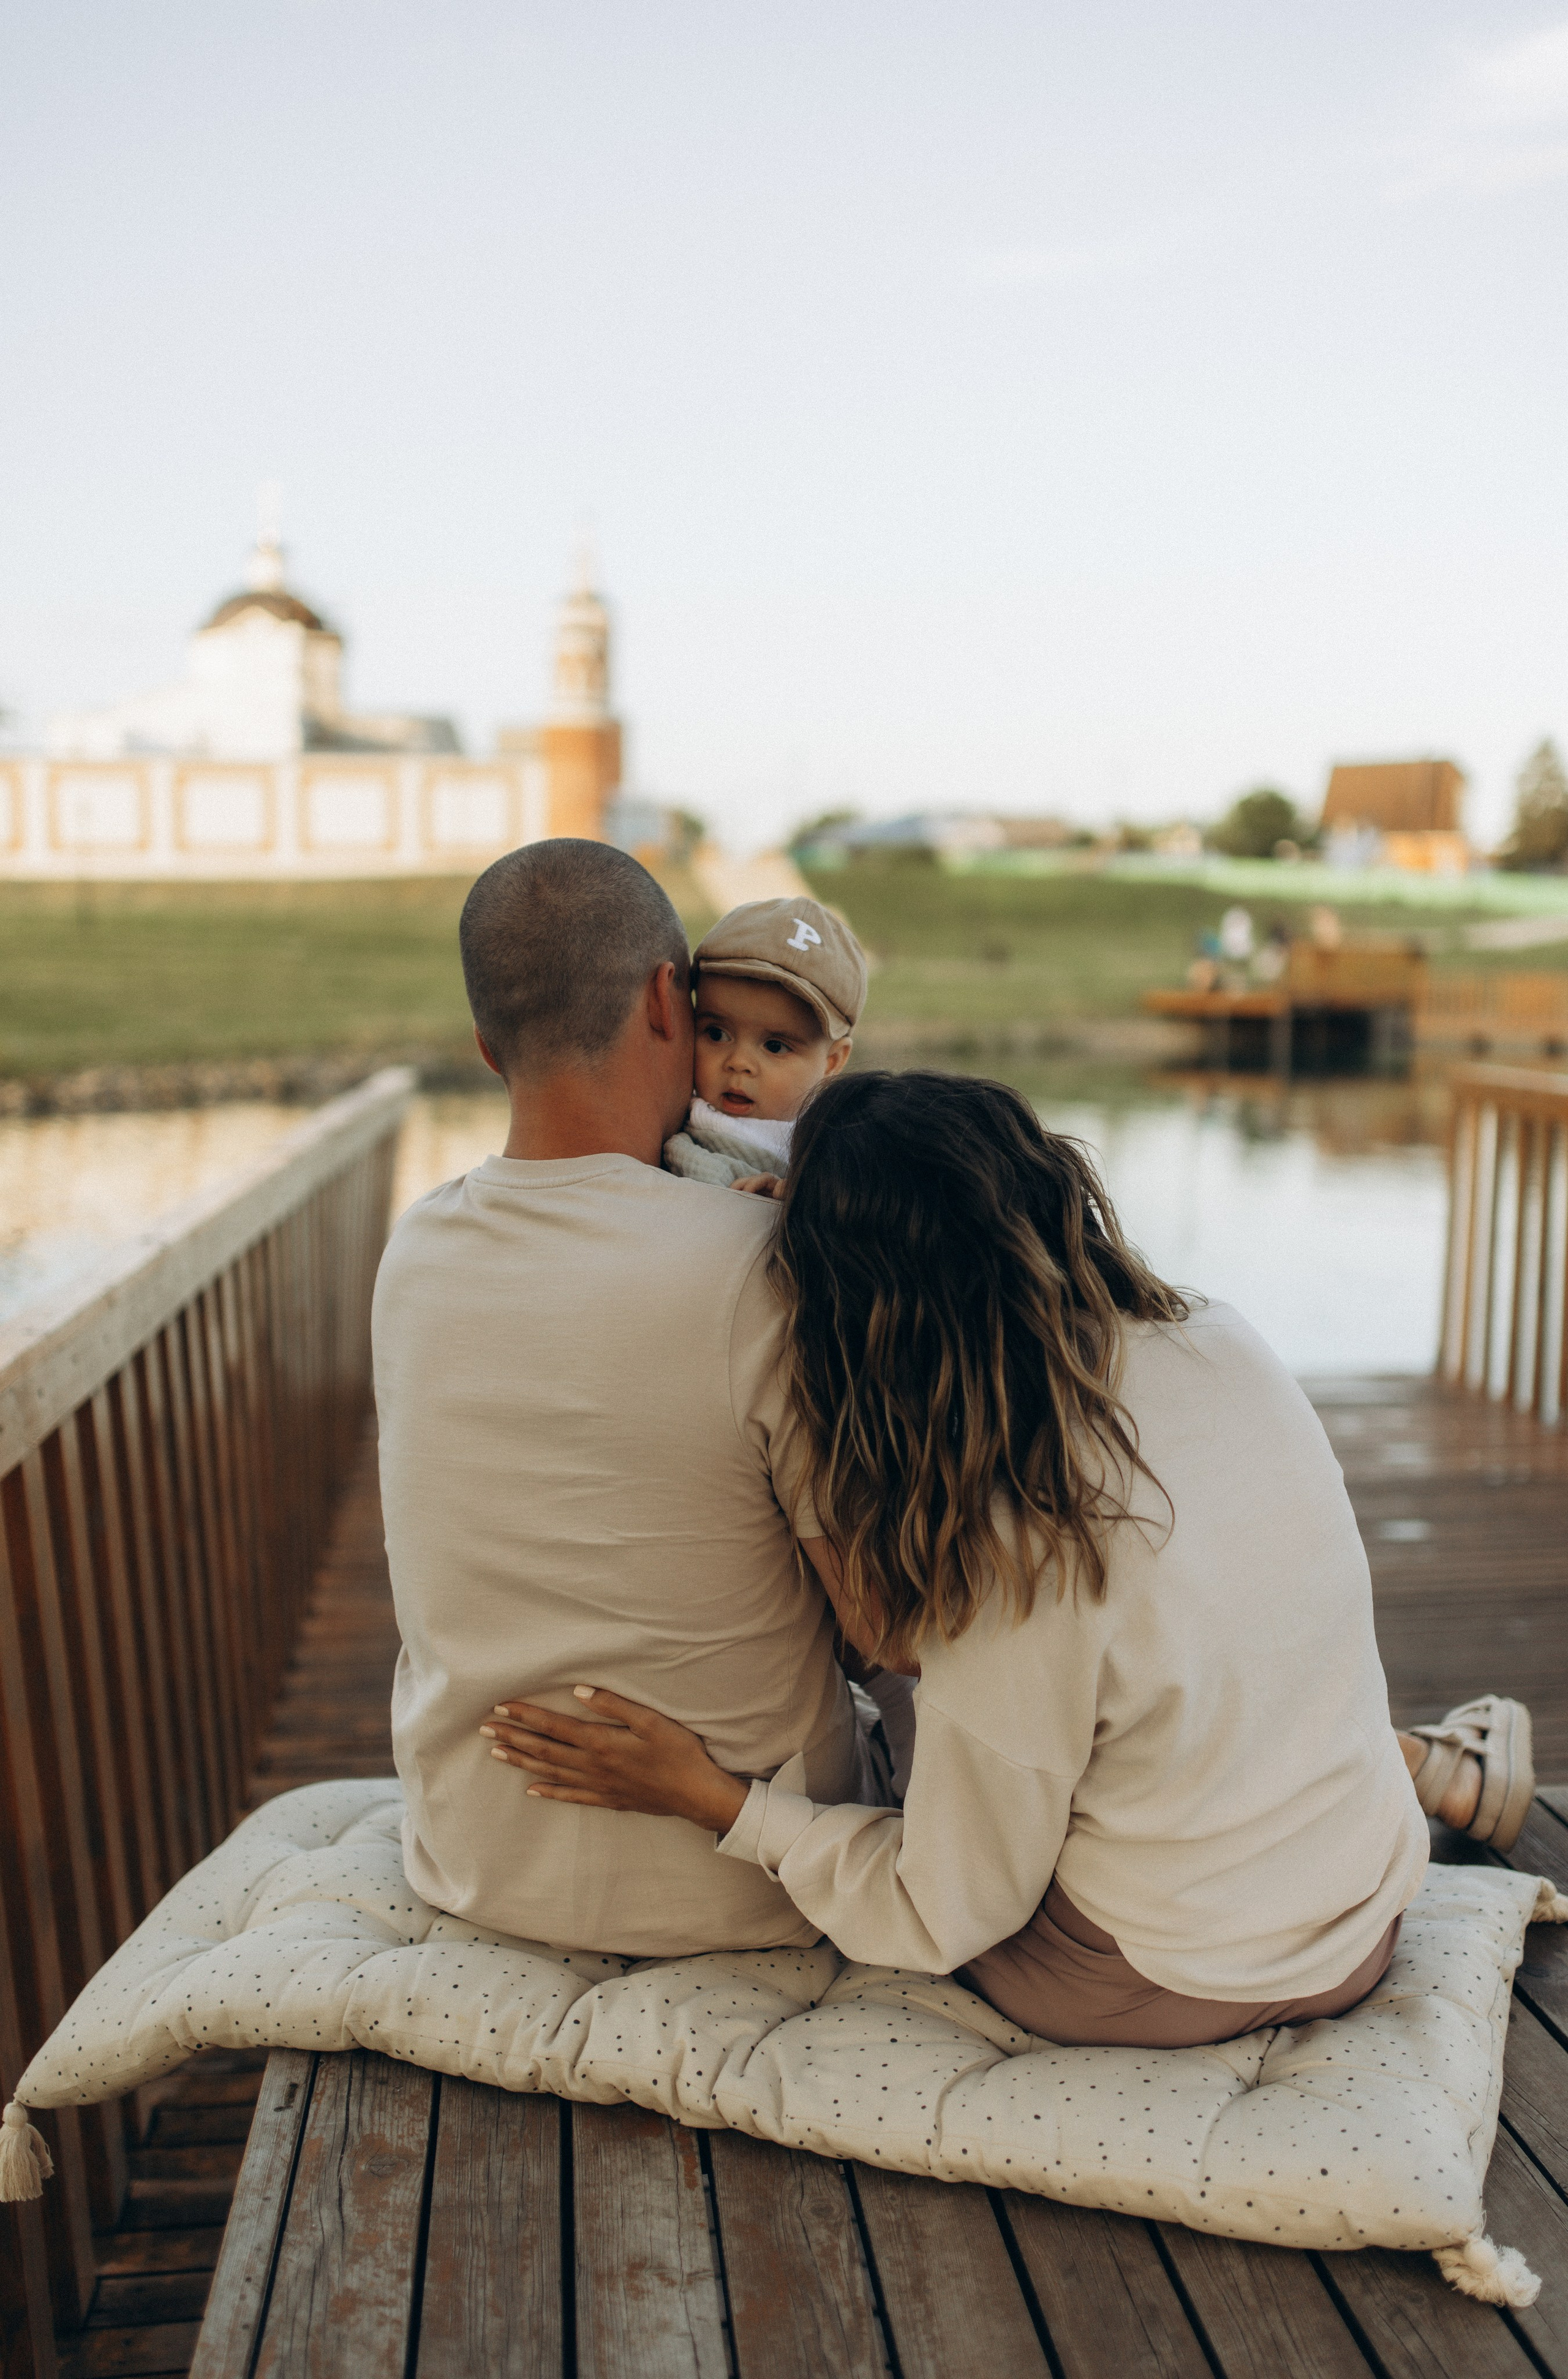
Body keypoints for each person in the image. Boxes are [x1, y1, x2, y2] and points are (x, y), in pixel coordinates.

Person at [481, 1069, 1534, 2048]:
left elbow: (937, 1909)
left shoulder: (1016, 1543)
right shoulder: (1222, 1335)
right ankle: (1408, 1761)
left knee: (920, 1719)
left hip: (1174, 1974)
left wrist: (708, 1795)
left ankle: (1408, 1760)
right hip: (1367, 1903)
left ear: (861, 1318)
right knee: (965, 1672)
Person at [372, 838, 877, 1959]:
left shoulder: (413, 1253)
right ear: (666, 998)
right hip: (746, 1890)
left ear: (486, 1045)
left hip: (476, 1862)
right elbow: (881, 1619)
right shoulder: (760, 1255)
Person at [663, 896, 868, 1194]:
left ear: (832, 1062)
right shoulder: (681, 1124)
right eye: (717, 1034)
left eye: (775, 1046)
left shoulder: (838, 1144)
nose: (739, 1062)